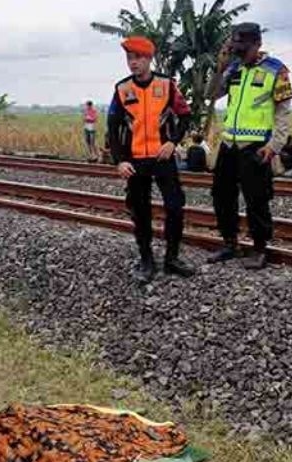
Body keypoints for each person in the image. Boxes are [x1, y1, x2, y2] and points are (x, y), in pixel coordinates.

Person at [205, 22, 292, 270]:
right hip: (229, 143)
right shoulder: (233, 68)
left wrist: (275, 145)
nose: (240, 53)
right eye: (236, 49)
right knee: (222, 195)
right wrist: (220, 67)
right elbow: (211, 93)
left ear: (258, 44)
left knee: (256, 199)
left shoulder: (276, 71)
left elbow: (283, 113)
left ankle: (259, 248)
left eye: (244, 49)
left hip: (256, 146)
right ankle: (230, 242)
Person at [107, 36, 195, 284]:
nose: (132, 63)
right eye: (129, 58)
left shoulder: (167, 85)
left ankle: (172, 259)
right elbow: (112, 129)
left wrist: (172, 141)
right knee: (140, 211)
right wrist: (119, 161)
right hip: (135, 161)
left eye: (138, 58)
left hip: (162, 157)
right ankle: (146, 259)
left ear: (149, 59)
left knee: (175, 207)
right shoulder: (122, 89)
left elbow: (186, 116)